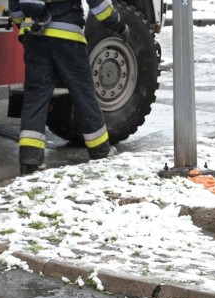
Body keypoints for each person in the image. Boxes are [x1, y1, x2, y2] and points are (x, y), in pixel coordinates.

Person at [9, 0, 128, 175]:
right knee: (83, 96)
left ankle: (30, 160)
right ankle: (100, 151)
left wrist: (30, 23)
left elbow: (15, 8)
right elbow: (100, 6)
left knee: (35, 99)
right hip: (68, 38)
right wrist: (119, 24)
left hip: (35, 37)